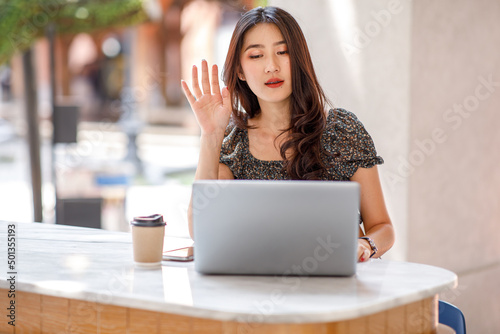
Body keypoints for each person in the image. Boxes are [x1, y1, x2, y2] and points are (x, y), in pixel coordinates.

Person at [181, 6, 394, 262]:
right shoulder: (233, 142)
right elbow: (201, 229)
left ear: (300, 59)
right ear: (239, 71)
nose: (272, 66)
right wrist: (211, 136)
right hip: (257, 287)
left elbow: (382, 226)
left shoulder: (342, 130)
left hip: (337, 286)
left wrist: (366, 245)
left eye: (283, 52)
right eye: (256, 55)